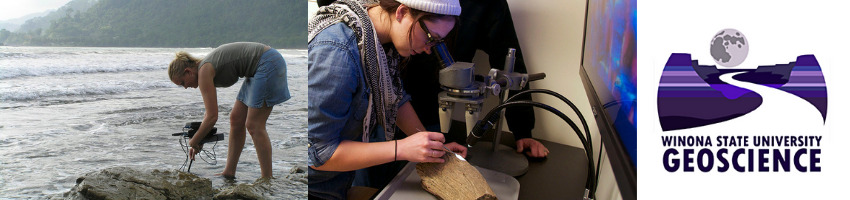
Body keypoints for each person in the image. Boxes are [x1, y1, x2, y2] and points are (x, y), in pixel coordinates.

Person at [307, 0, 465, 199]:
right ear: (402, 12)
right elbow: (318, 154)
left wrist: (431, 148)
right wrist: (402, 148)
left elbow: (394, 98)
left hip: (338, 183)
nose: (428, 49)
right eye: (430, 38)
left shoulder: (379, 45)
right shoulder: (337, 53)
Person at [404, 0, 550, 158]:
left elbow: (509, 64)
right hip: (384, 108)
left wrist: (523, 131)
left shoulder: (484, 5)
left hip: (428, 114)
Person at [167, 42, 291, 178]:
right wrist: (199, 138)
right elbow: (209, 113)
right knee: (236, 119)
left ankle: (267, 179)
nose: (185, 87)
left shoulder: (204, 71)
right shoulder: (204, 68)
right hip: (258, 68)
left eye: (182, 83)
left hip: (267, 63)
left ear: (188, 72)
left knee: (254, 125)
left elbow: (212, 117)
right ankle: (229, 172)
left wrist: (193, 142)